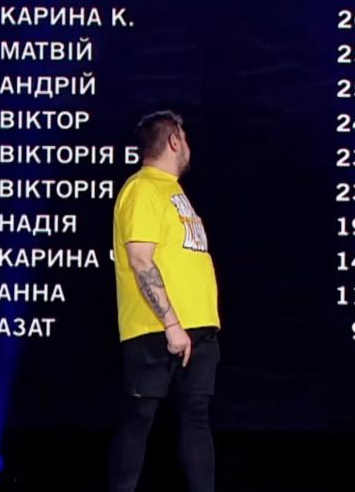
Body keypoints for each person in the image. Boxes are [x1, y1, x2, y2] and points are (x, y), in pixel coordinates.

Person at [109, 110, 221, 492]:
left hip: (197, 326)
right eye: (184, 138)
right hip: (155, 328)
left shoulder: (173, 192)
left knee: (196, 418)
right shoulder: (142, 188)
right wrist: (171, 324)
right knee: (139, 417)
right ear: (174, 141)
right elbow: (141, 260)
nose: (188, 146)